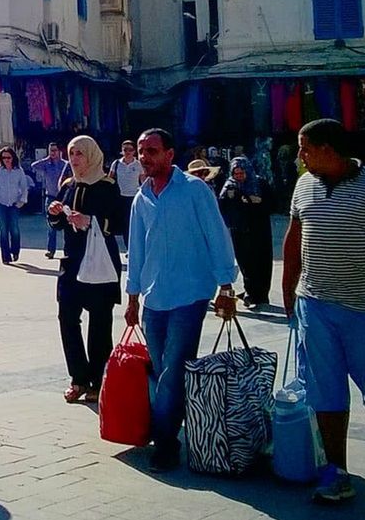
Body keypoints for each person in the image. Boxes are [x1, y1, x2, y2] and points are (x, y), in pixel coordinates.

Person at [282, 119, 365, 504]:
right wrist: (290, 293)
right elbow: (292, 241)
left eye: (305, 148)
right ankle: (336, 472)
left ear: (328, 149)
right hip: (315, 306)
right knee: (325, 393)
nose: (300, 156)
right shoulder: (304, 186)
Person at [125, 128, 238, 472]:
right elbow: (137, 250)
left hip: (190, 295)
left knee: (173, 371)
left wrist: (227, 286)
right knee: (162, 371)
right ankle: (175, 426)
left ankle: (166, 443)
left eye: (153, 151)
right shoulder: (141, 197)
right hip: (153, 298)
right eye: (142, 151)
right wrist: (131, 297)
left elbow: (217, 235)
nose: (145, 157)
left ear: (170, 155)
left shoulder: (195, 191)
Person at [47, 136, 123, 403]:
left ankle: (99, 380)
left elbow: (119, 222)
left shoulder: (107, 185)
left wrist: (91, 221)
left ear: (92, 155)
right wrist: (55, 212)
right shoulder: (68, 184)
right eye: (72, 153)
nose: (75, 158)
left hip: (100, 264)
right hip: (72, 261)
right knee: (67, 318)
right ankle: (78, 377)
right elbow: (57, 224)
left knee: (100, 323)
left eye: (80, 153)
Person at [218, 156, 274, 308]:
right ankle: (251, 292)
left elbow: (272, 203)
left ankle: (261, 294)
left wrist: (258, 202)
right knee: (245, 262)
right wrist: (234, 199)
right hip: (239, 230)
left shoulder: (259, 183)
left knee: (261, 261)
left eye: (242, 173)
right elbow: (222, 206)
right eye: (236, 173)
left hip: (259, 230)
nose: (239, 176)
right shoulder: (230, 185)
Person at [0, 147, 30, 265]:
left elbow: (24, 187)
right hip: (0, 203)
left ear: (13, 157)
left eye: (8, 157)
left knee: (14, 228)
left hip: (14, 203)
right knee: (3, 229)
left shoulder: (18, 171)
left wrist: (21, 201)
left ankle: (15, 250)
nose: (6, 160)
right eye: (4, 157)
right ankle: (5, 256)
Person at [31, 143, 68, 259]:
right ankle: (51, 250)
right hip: (51, 196)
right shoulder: (46, 164)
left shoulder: (65, 164)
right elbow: (34, 165)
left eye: (55, 150)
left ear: (59, 151)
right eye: (51, 150)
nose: (53, 153)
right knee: (52, 226)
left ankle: (68, 250)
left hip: (64, 197)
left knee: (67, 225)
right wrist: (47, 159)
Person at [108, 140, 145, 250]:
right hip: (120, 198)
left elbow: (143, 180)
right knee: (124, 225)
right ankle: (128, 247)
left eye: (130, 150)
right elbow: (110, 179)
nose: (128, 152)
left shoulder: (138, 164)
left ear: (134, 151)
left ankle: (135, 246)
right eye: (125, 150)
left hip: (134, 197)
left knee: (134, 223)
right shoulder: (116, 164)